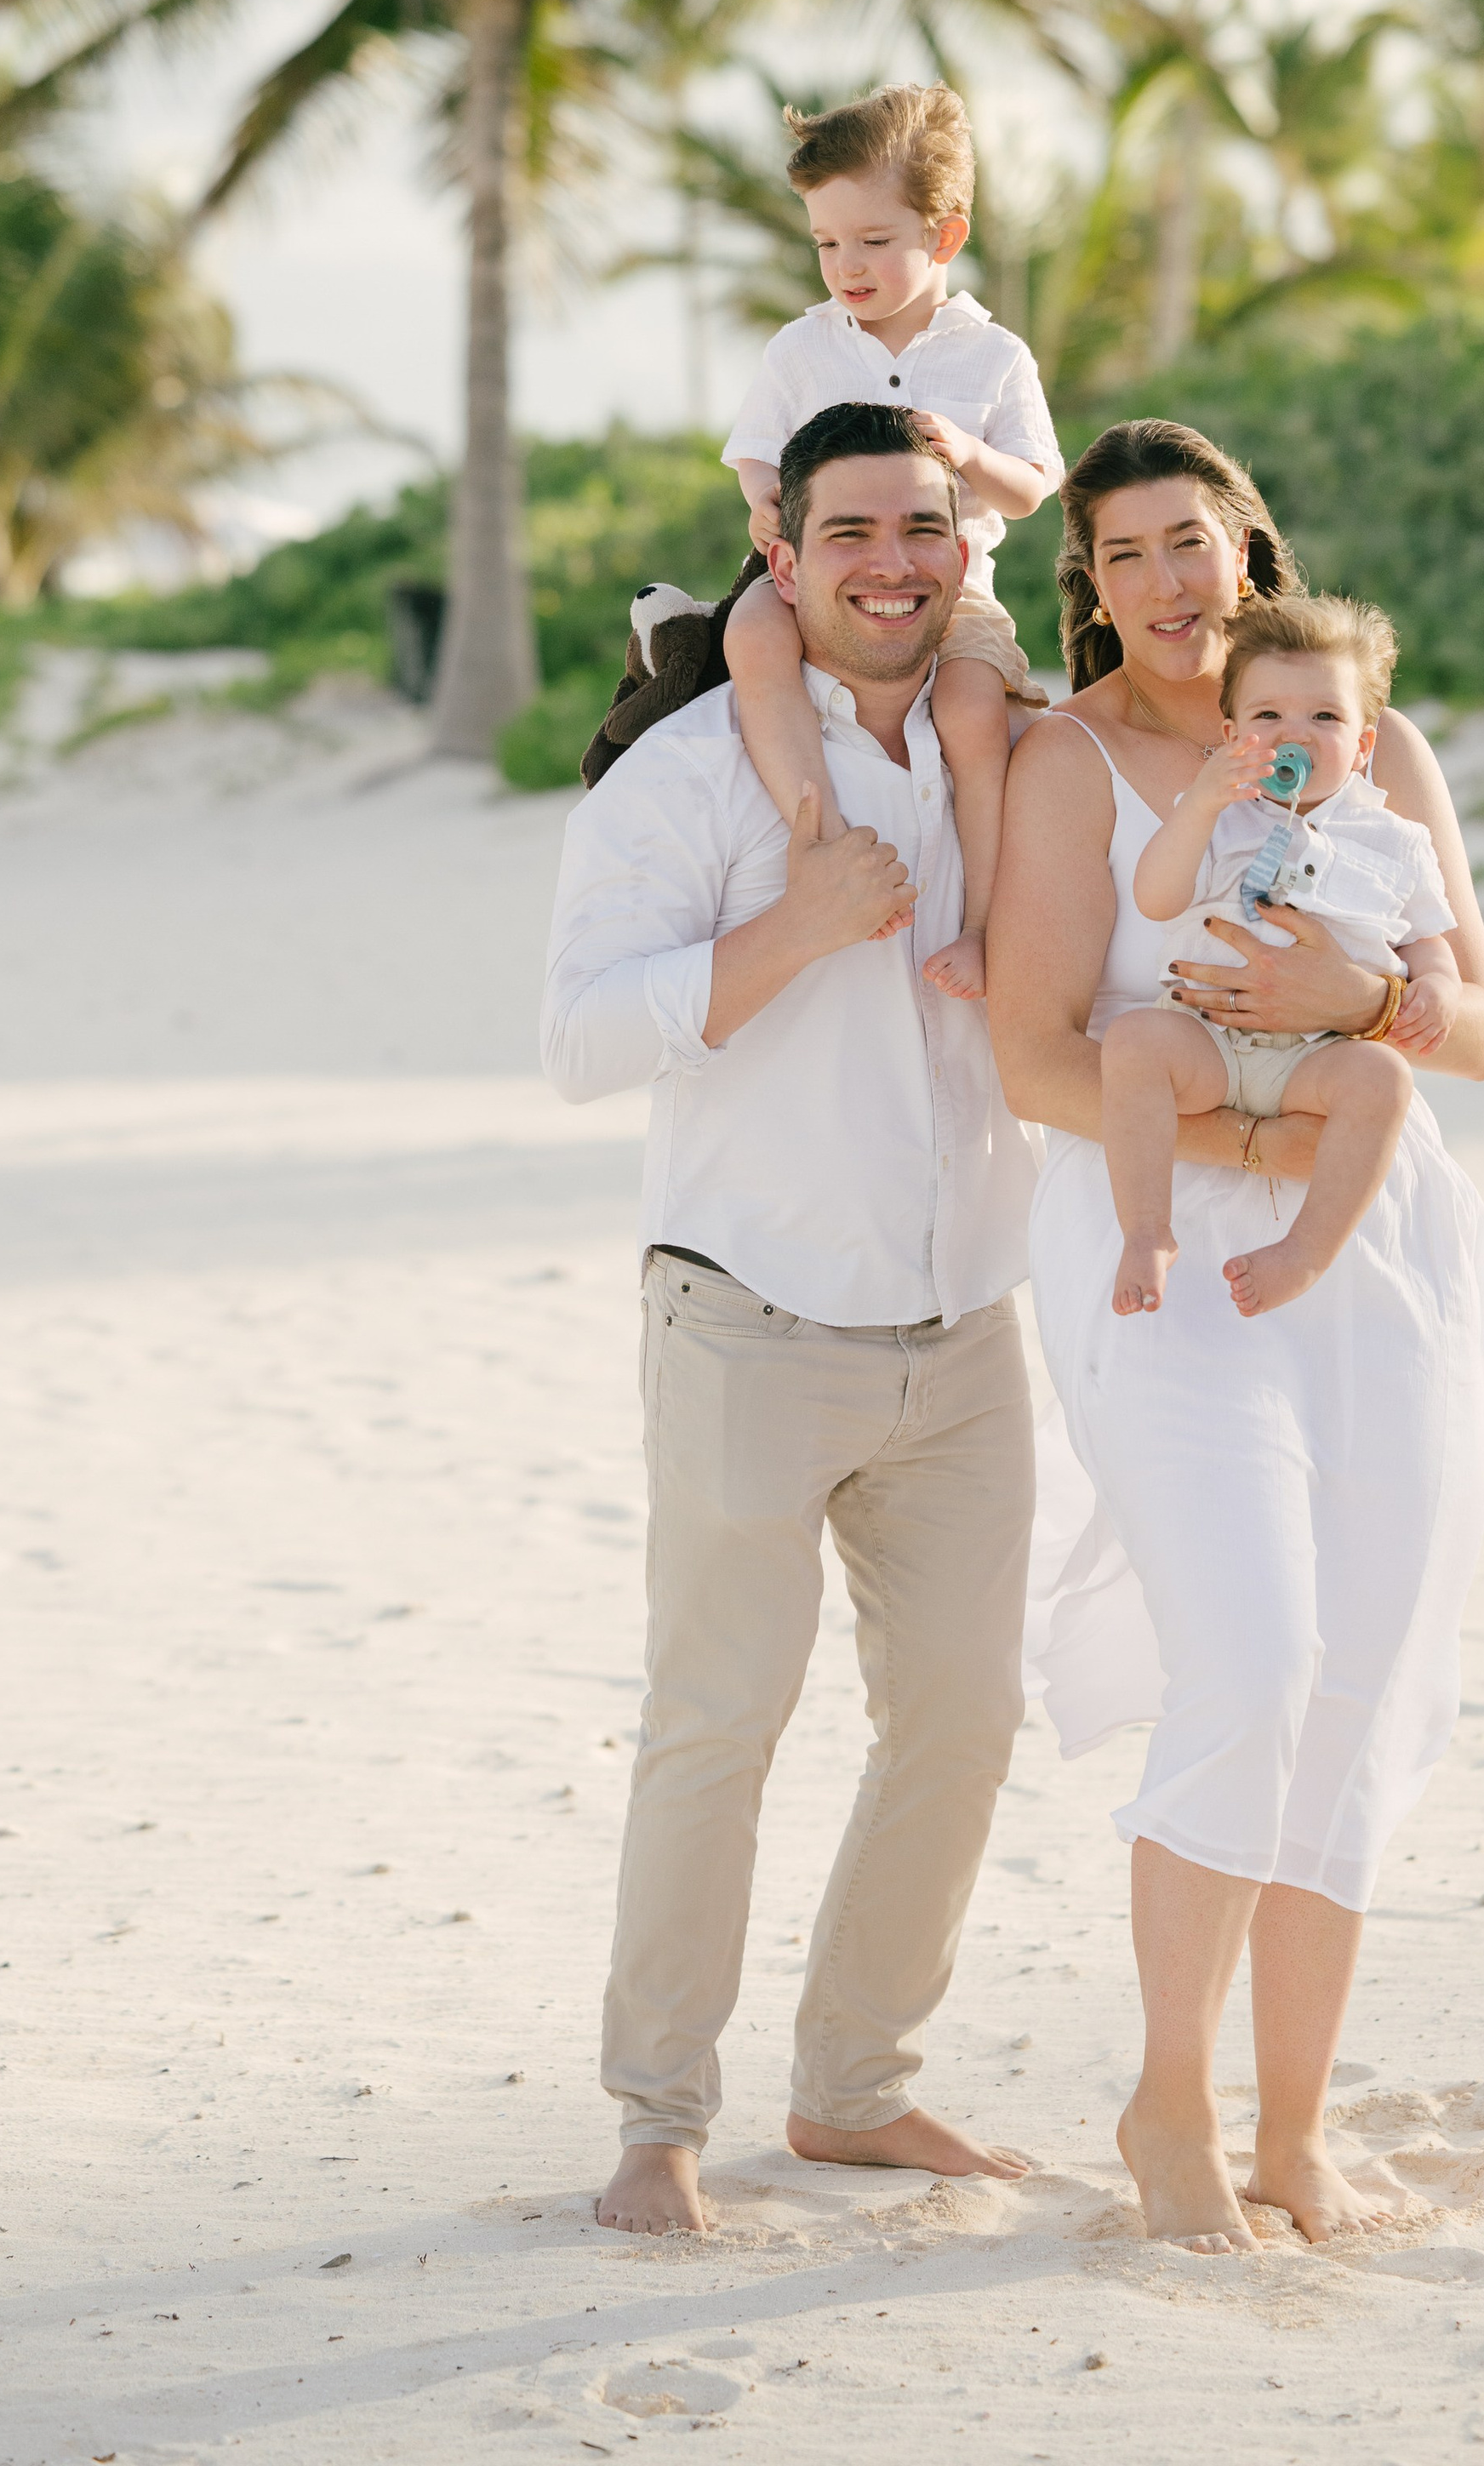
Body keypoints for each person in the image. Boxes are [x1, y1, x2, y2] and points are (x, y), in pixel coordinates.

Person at [989, 419, 1484, 2258]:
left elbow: (1474, 1029)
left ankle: (1296, 2129)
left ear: (1246, 545)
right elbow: (1036, 1047)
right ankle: (1168, 2099)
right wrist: (1255, 1129)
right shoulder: (1070, 765)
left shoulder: (1374, 744)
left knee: (1361, 1675)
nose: (1162, 582)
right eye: (1119, 555)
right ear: (1091, 588)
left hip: (1375, 1248)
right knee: (1254, 1657)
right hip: (1168, 1244)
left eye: (1188, 540)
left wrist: (1355, 1002)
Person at [541, 400, 1039, 2240]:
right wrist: (798, 926)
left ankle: (854, 2091)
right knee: (715, 1726)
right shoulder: (690, 774)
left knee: (965, 1722)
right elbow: (579, 1040)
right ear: (784, 550)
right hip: (747, 1321)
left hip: (964, 1328)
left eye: (922, 527)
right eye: (850, 533)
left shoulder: (1011, 748)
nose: (891, 562)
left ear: (961, 544)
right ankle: (656, 2117)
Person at [720, 83, 1062, 1004]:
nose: (845, 266)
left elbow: (1033, 489)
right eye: (827, 243)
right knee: (750, 637)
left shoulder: (992, 357)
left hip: (953, 592)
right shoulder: (803, 349)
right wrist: (765, 508)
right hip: (810, 580)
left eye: (872, 242)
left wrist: (971, 455)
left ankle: (986, 921)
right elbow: (755, 460)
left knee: (970, 713)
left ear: (943, 237)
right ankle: (819, 840)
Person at [1104, 592, 1462, 1321]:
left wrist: (1439, 985)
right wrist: (1200, 805)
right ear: (1232, 733)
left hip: (1315, 1059)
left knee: (1384, 1078)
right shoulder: (1217, 818)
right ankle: (1147, 1231)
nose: (1294, 734)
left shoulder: (1393, 839)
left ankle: (1307, 1251)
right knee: (1134, 1043)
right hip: (1206, 1041)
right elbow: (1155, 896)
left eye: (1325, 718)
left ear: (1363, 744)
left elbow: (1427, 936)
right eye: (1269, 717)